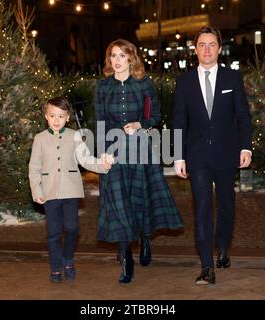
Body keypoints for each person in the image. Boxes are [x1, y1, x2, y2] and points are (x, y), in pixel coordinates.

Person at [95, 39, 183, 285]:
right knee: (117, 201)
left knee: (140, 198)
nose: (117, 60)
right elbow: (100, 122)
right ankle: (125, 256)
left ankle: (145, 238)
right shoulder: (102, 87)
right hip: (113, 151)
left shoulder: (144, 84)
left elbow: (155, 116)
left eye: (122, 55)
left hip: (140, 149)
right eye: (113, 55)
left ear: (131, 58)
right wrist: (102, 152)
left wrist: (139, 124)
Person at [173, 26, 253, 285]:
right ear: (195, 49)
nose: (206, 49)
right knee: (203, 208)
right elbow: (178, 121)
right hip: (197, 156)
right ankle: (207, 265)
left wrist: (245, 147)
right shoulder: (184, 82)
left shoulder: (232, 78)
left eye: (211, 44)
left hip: (227, 152)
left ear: (219, 48)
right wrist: (177, 156)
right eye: (201, 44)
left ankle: (224, 245)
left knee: (227, 204)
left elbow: (242, 116)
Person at [29, 97, 113, 283]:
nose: (56, 120)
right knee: (53, 233)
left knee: (72, 229)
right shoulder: (40, 139)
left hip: (71, 191)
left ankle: (68, 258)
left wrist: (103, 165)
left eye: (61, 116)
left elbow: (86, 159)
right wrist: (37, 190)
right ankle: (56, 267)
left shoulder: (75, 136)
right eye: (52, 116)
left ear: (67, 118)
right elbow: (34, 167)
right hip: (49, 192)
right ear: (46, 117)